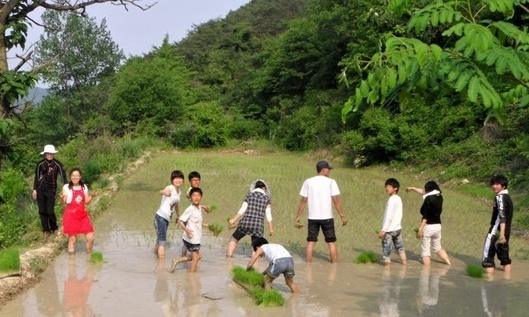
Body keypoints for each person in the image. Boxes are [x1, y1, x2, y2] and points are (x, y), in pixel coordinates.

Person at [295, 160, 347, 263]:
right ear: (323, 170)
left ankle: (308, 264)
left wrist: (298, 216)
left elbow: (303, 200)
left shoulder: (308, 182)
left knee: (311, 241)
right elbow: (335, 200)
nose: (329, 171)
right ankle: (334, 265)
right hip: (327, 217)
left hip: (313, 218)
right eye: (328, 169)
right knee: (331, 242)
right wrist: (342, 215)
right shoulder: (331, 182)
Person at [407, 181, 451, 266]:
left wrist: (420, 228)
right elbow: (423, 192)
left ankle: (426, 272)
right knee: (438, 248)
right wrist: (412, 188)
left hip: (428, 227)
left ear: (428, 190)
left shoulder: (428, 199)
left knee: (425, 252)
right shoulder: (440, 197)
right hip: (437, 227)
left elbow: (425, 216)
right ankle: (448, 264)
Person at [226, 179, 273, 257]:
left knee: (234, 238)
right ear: (264, 188)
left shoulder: (250, 195)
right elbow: (268, 214)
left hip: (245, 223)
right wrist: (271, 229)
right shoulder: (267, 199)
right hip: (258, 226)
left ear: (255, 187)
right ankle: (254, 265)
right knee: (256, 246)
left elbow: (242, 209)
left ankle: (229, 257)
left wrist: (234, 219)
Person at [33, 144, 67, 241]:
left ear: (53, 154)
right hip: (40, 189)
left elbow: (63, 177)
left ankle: (54, 228)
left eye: (51, 153)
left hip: (51, 190)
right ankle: (46, 230)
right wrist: (34, 189)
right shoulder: (40, 164)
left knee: (50, 211)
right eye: (48, 153)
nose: (49, 155)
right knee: (42, 211)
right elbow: (37, 177)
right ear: (45, 154)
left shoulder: (58, 164)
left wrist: (66, 188)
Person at [170, 187, 207, 273]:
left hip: (194, 237)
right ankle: (192, 279)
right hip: (192, 238)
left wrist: (206, 225)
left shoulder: (198, 208)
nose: (196, 197)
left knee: (199, 256)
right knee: (195, 258)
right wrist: (187, 230)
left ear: (201, 197)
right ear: (190, 198)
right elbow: (180, 221)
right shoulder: (190, 209)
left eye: (198, 195)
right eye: (194, 196)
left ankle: (177, 260)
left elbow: (196, 221)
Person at [482, 174, 513, 274]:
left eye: (497, 184)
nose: (494, 186)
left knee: (488, 260)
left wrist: (502, 234)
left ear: (503, 186)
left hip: (497, 232)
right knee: (505, 259)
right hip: (506, 231)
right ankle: (507, 280)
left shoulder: (500, 197)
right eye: (493, 184)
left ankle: (486, 287)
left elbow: (502, 216)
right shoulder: (508, 197)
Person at [61, 168, 94, 254]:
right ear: (70, 176)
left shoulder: (84, 187)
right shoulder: (66, 187)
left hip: (83, 215)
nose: (75, 177)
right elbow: (63, 202)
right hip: (70, 215)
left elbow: (86, 201)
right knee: (72, 239)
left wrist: (92, 196)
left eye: (77, 175)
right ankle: (72, 263)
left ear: (80, 176)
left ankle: (89, 258)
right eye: (73, 175)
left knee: (90, 238)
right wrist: (61, 198)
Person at [153, 170, 184, 258]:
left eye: (180, 178)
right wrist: (165, 192)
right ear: (172, 180)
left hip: (166, 219)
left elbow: (176, 205)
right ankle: (161, 267)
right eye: (176, 178)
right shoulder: (170, 187)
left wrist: (179, 216)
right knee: (162, 242)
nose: (178, 180)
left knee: (159, 240)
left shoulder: (179, 192)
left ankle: (156, 259)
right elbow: (161, 191)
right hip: (160, 217)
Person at [378, 178, 407, 265]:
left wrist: (383, 230)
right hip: (397, 228)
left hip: (389, 230)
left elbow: (388, 216)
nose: (387, 188)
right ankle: (404, 264)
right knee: (400, 248)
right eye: (386, 186)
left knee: (387, 251)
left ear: (395, 188)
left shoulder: (391, 200)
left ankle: (387, 270)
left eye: (389, 186)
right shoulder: (398, 198)